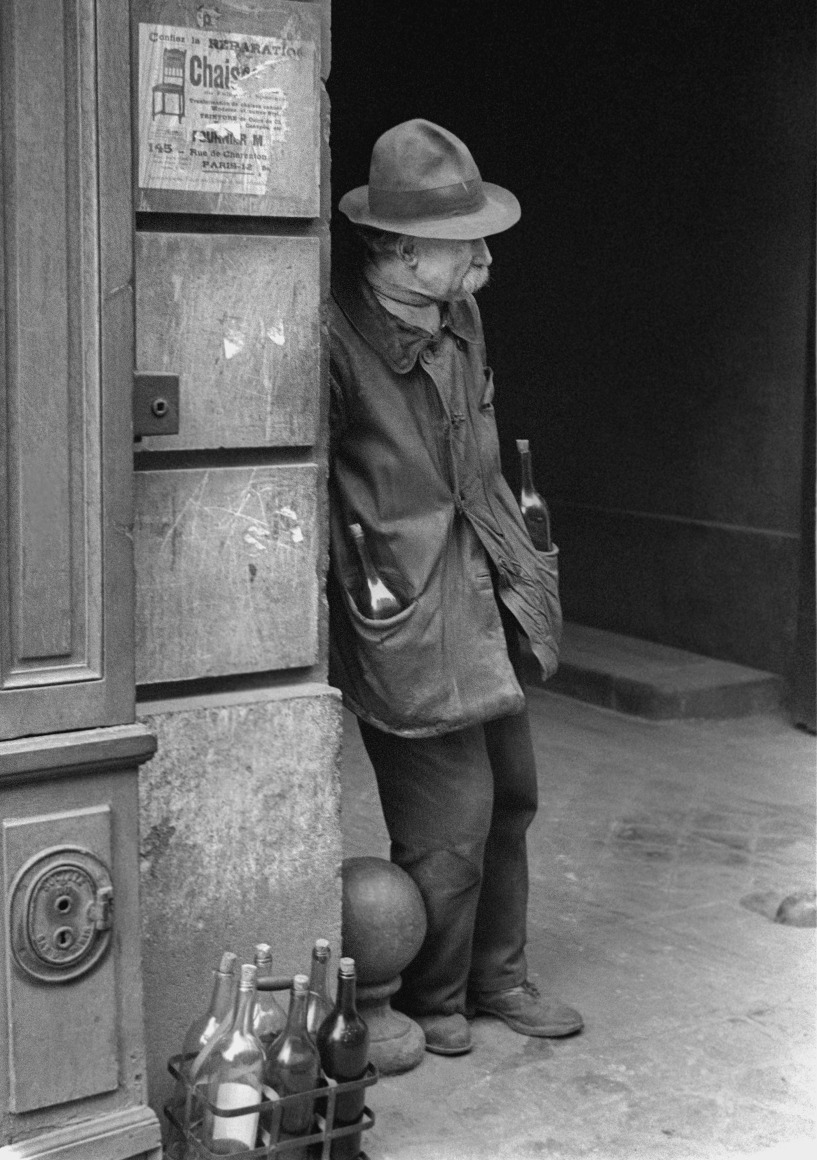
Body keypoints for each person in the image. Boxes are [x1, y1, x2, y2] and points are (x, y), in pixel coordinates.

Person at [328, 119, 583, 1056]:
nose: (481, 257)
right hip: (405, 614)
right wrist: (363, 594)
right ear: (398, 252)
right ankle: (432, 1002)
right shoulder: (336, 339)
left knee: (511, 796)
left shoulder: (459, 317)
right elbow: (299, 492)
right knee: (448, 831)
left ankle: (497, 978)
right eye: (461, 242)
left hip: (485, 594)